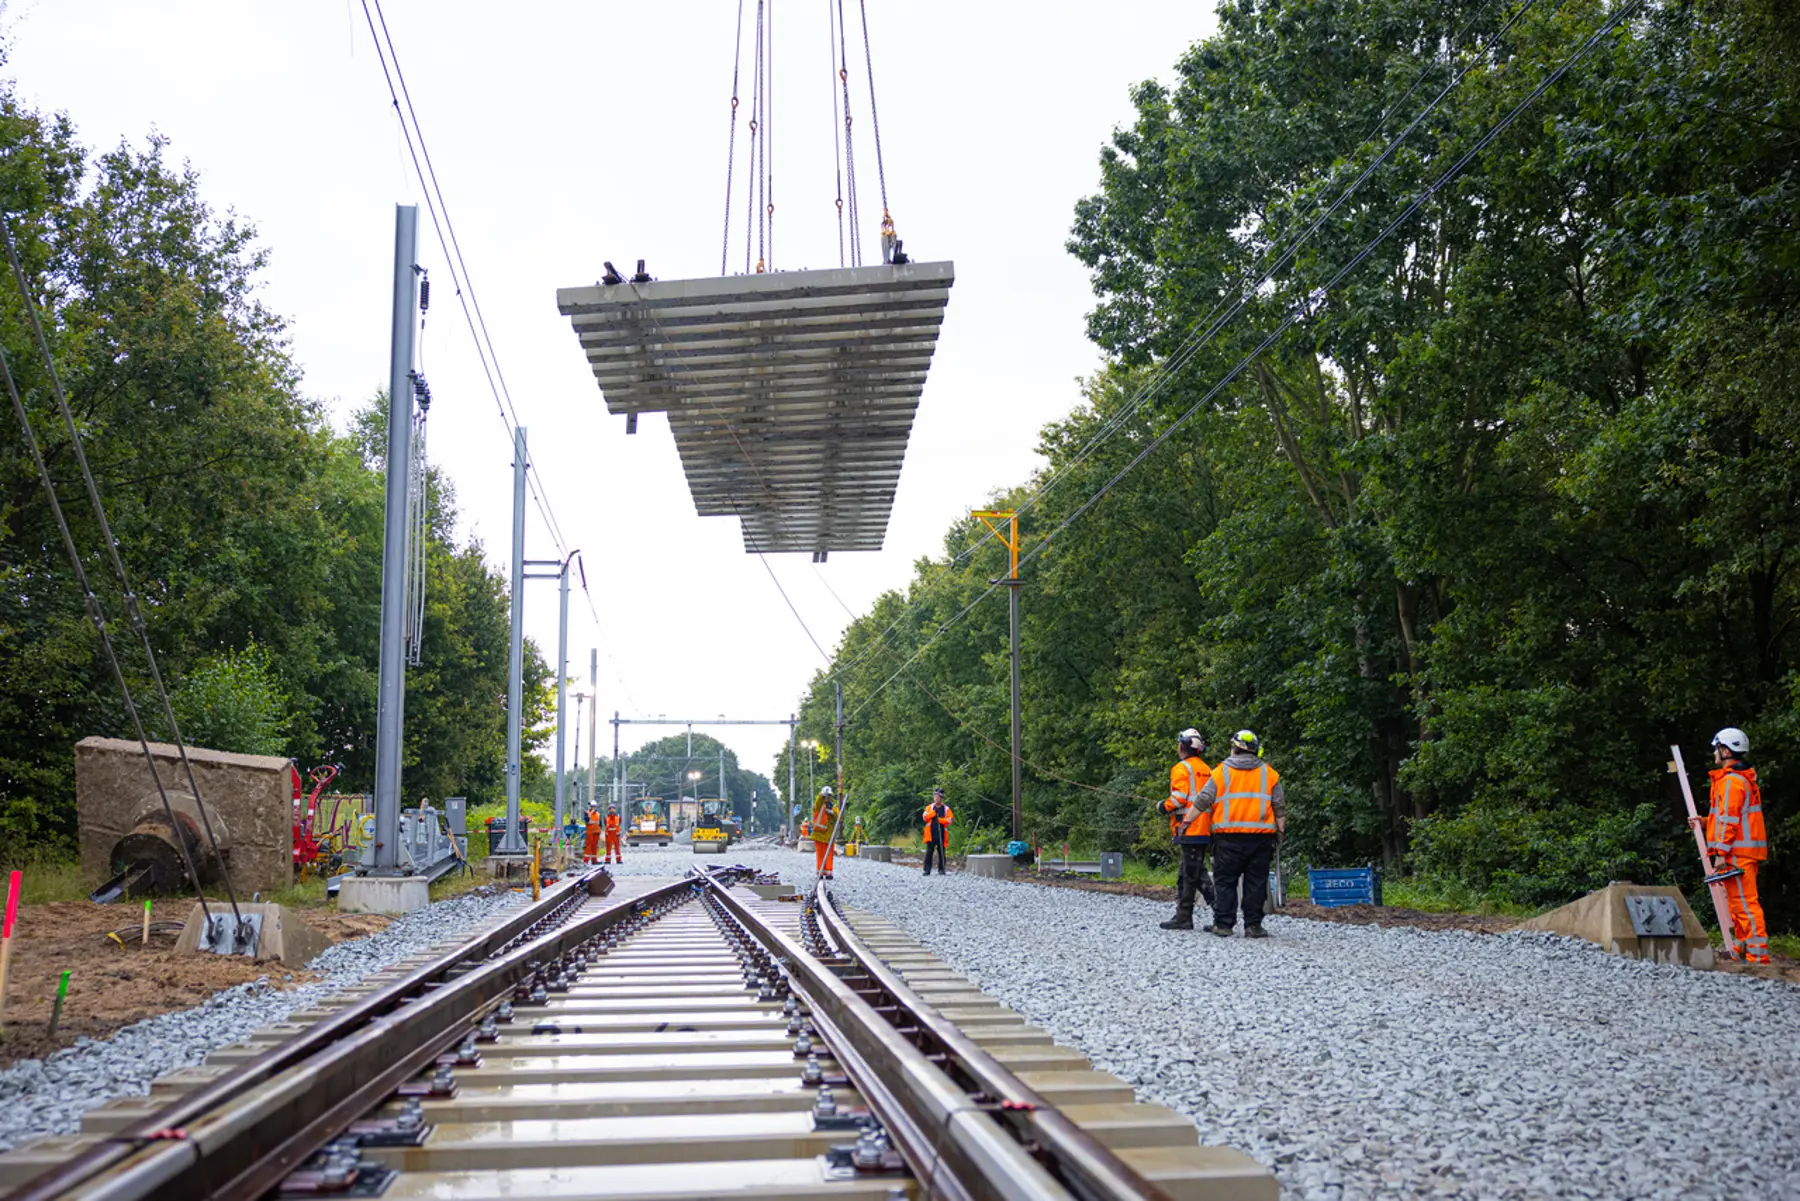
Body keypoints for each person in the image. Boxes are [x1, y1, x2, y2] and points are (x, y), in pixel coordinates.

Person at [1195, 729, 1286, 938]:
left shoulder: (1221, 772)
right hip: (1261, 839)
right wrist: (1281, 828)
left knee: (1226, 881)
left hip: (1228, 838)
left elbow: (1203, 800)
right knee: (1256, 882)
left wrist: (1188, 821)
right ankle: (1253, 926)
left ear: (1234, 748)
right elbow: (1279, 805)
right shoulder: (1269, 773)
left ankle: (1223, 924)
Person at [1693, 727, 1770, 964]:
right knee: (1738, 905)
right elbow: (1727, 818)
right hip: (1740, 852)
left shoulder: (1731, 783)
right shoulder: (1737, 780)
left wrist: (1720, 853)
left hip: (1738, 854)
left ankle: (1758, 957)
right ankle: (1741, 951)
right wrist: (1705, 823)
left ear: (1726, 751)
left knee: (1745, 904)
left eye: (1717, 749)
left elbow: (1729, 820)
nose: (1714, 753)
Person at [1159, 728, 1216, 930]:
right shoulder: (1208, 769)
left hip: (1188, 826)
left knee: (1194, 873)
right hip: (1205, 827)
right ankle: (1184, 916)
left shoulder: (1181, 768)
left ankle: (1218, 911)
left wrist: (1163, 806)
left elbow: (1179, 798)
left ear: (1182, 746)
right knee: (1189, 871)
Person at [922, 787, 954, 876]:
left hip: (942, 834)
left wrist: (940, 820)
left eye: (938, 796)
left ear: (941, 798)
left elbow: (950, 820)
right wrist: (933, 814)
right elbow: (925, 817)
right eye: (935, 796)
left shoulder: (946, 809)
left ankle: (942, 869)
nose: (936, 798)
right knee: (929, 852)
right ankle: (927, 870)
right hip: (930, 834)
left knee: (941, 852)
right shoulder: (929, 807)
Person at [812, 786, 841, 878]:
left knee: (829, 855)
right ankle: (819, 872)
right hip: (819, 835)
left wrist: (832, 813)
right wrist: (821, 796)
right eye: (826, 796)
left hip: (829, 836)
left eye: (829, 795)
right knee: (820, 855)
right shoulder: (819, 805)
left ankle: (828, 872)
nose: (828, 797)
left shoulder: (833, 807)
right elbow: (817, 803)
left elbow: (838, 816)